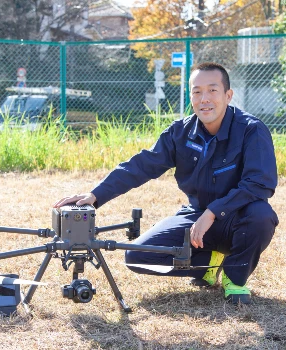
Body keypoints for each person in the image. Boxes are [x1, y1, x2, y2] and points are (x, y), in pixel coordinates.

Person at [53, 62, 279, 305]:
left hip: (238, 216)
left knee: (262, 215)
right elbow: (140, 166)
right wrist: (96, 195)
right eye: (197, 91)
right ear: (190, 96)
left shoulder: (251, 130)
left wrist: (213, 213)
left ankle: (235, 277)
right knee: (137, 256)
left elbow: (259, 183)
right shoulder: (180, 133)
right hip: (196, 215)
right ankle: (208, 263)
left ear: (228, 95)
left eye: (213, 90)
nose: (204, 99)